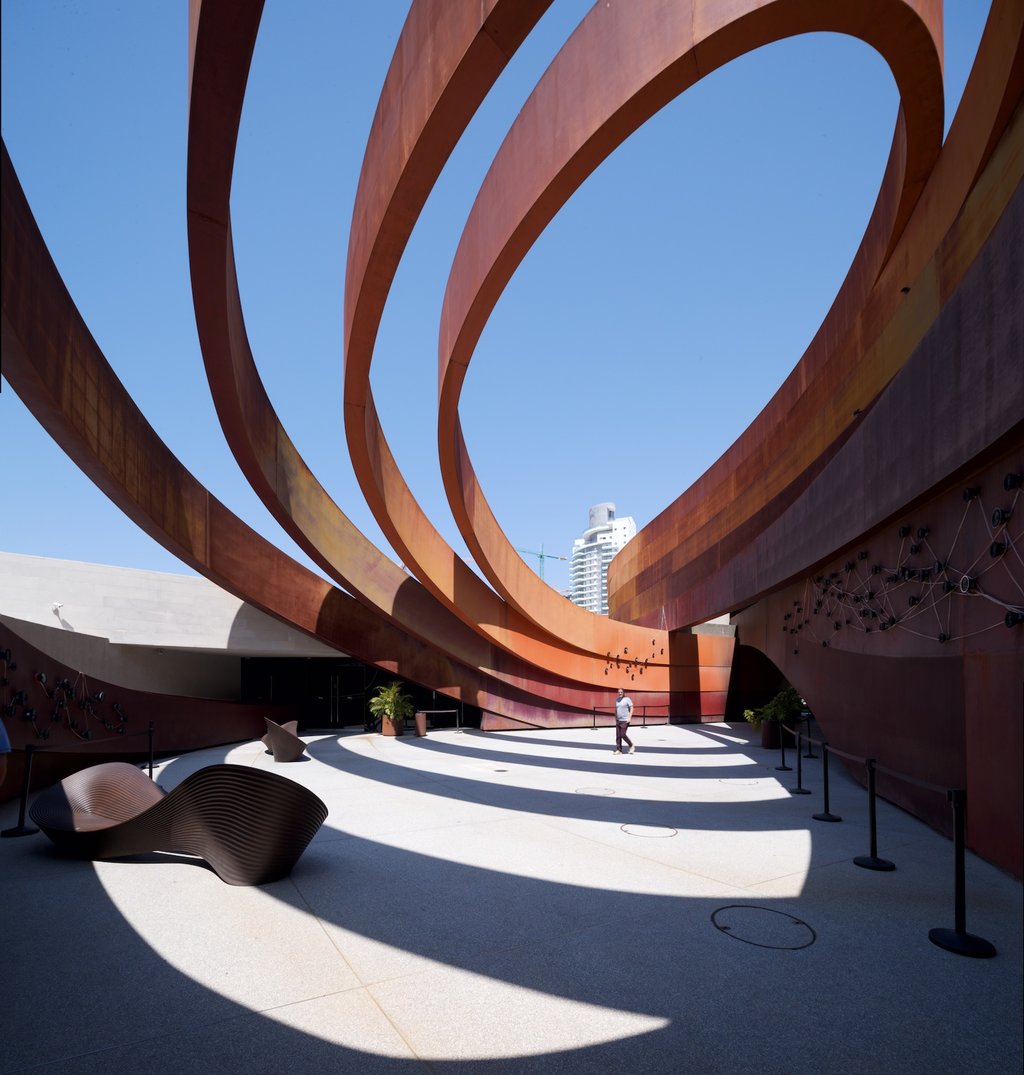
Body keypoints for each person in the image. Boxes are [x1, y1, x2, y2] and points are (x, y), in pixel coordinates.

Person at [613, 688, 635, 754]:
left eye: (621, 692)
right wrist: (616, 717)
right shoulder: (617, 700)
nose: (620, 693)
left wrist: (629, 717)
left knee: (622, 734)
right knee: (618, 736)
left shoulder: (627, 699)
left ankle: (631, 745)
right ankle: (619, 750)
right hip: (618, 720)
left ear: (623, 692)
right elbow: (616, 709)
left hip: (625, 720)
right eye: (619, 692)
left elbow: (631, 707)